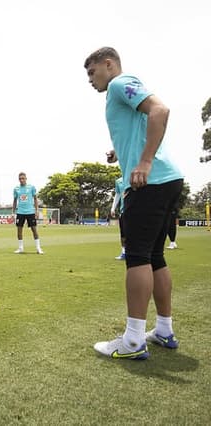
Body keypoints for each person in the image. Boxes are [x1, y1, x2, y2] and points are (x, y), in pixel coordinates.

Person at [85, 47, 184, 359]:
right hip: (167, 180)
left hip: (150, 182)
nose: (90, 80)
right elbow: (140, 124)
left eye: (92, 72)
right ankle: (164, 331)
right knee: (155, 257)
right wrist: (122, 152)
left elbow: (160, 110)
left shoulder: (119, 83)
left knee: (138, 256)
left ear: (108, 64)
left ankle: (132, 341)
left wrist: (143, 161)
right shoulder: (119, 93)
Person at [12, 172, 43, 254]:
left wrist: (36, 210)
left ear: (26, 178)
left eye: (23, 178)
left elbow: (35, 199)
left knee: (34, 230)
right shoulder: (16, 189)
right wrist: (13, 212)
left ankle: (38, 248)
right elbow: (15, 201)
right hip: (20, 212)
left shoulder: (31, 187)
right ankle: (20, 248)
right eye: (20, 179)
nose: (21, 180)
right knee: (19, 230)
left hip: (30, 212)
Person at [111, 176, 126, 260]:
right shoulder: (119, 181)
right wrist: (113, 208)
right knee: (123, 233)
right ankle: (124, 253)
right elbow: (118, 194)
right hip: (123, 210)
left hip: (136, 210)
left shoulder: (135, 177)